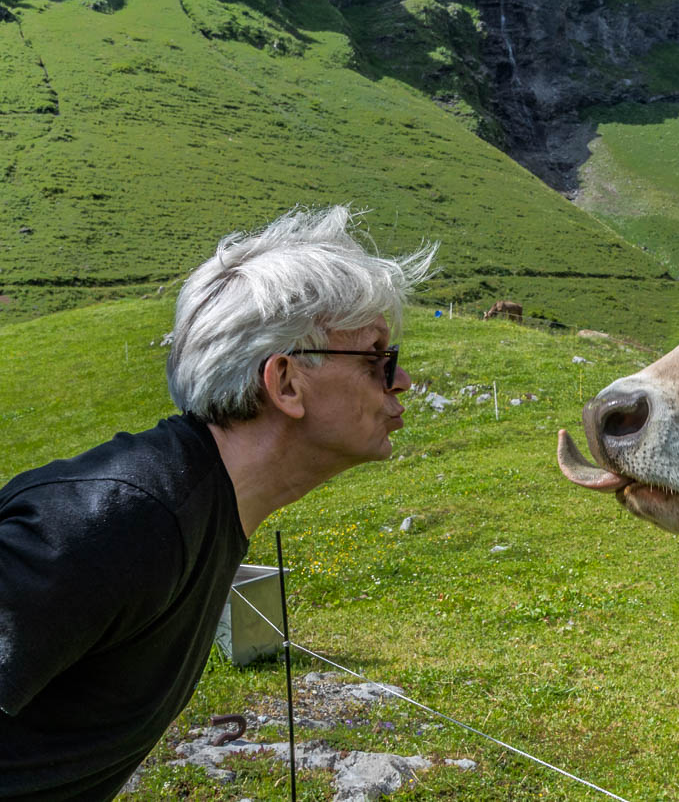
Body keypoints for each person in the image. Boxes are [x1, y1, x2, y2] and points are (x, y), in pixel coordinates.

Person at [0, 206, 435, 799]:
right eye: (377, 357)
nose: (401, 380)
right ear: (285, 383)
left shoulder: (190, 508)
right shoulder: (116, 522)